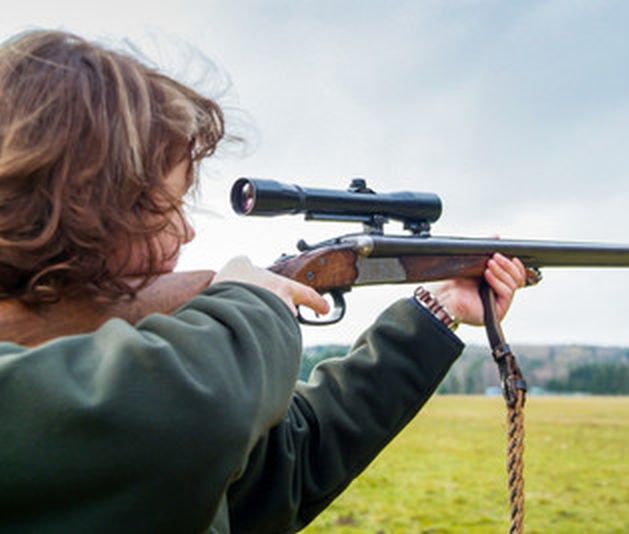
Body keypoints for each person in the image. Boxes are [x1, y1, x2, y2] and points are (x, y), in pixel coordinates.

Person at [0, 30, 528, 533]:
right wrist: (252, 304)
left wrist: (435, 312)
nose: (185, 230)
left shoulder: (115, 392)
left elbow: (286, 466)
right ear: (85, 209)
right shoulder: (121, 404)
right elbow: (192, 413)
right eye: (164, 208)